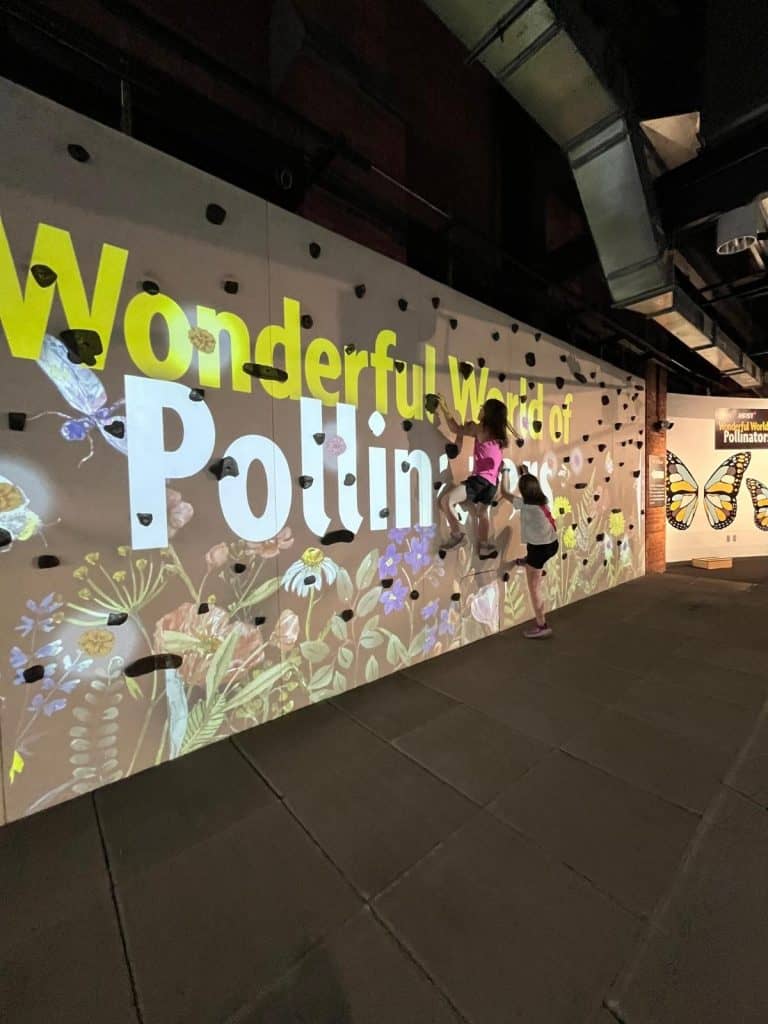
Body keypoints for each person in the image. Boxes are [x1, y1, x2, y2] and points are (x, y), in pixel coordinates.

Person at [436, 397, 509, 559]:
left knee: (446, 501)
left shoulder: (481, 428)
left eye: (483, 407)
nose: (480, 408)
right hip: (492, 484)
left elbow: (455, 428)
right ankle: (484, 546)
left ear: (488, 414)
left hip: (480, 481)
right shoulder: (499, 436)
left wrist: (444, 408)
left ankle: (457, 535)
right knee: (482, 512)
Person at [509, 467, 559, 638]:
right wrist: (525, 474)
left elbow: (504, 493)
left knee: (534, 587)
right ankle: (529, 561)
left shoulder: (526, 506)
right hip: (552, 544)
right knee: (533, 553)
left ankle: (542, 625)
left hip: (539, 550)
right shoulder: (541, 501)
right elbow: (530, 487)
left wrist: (504, 473)